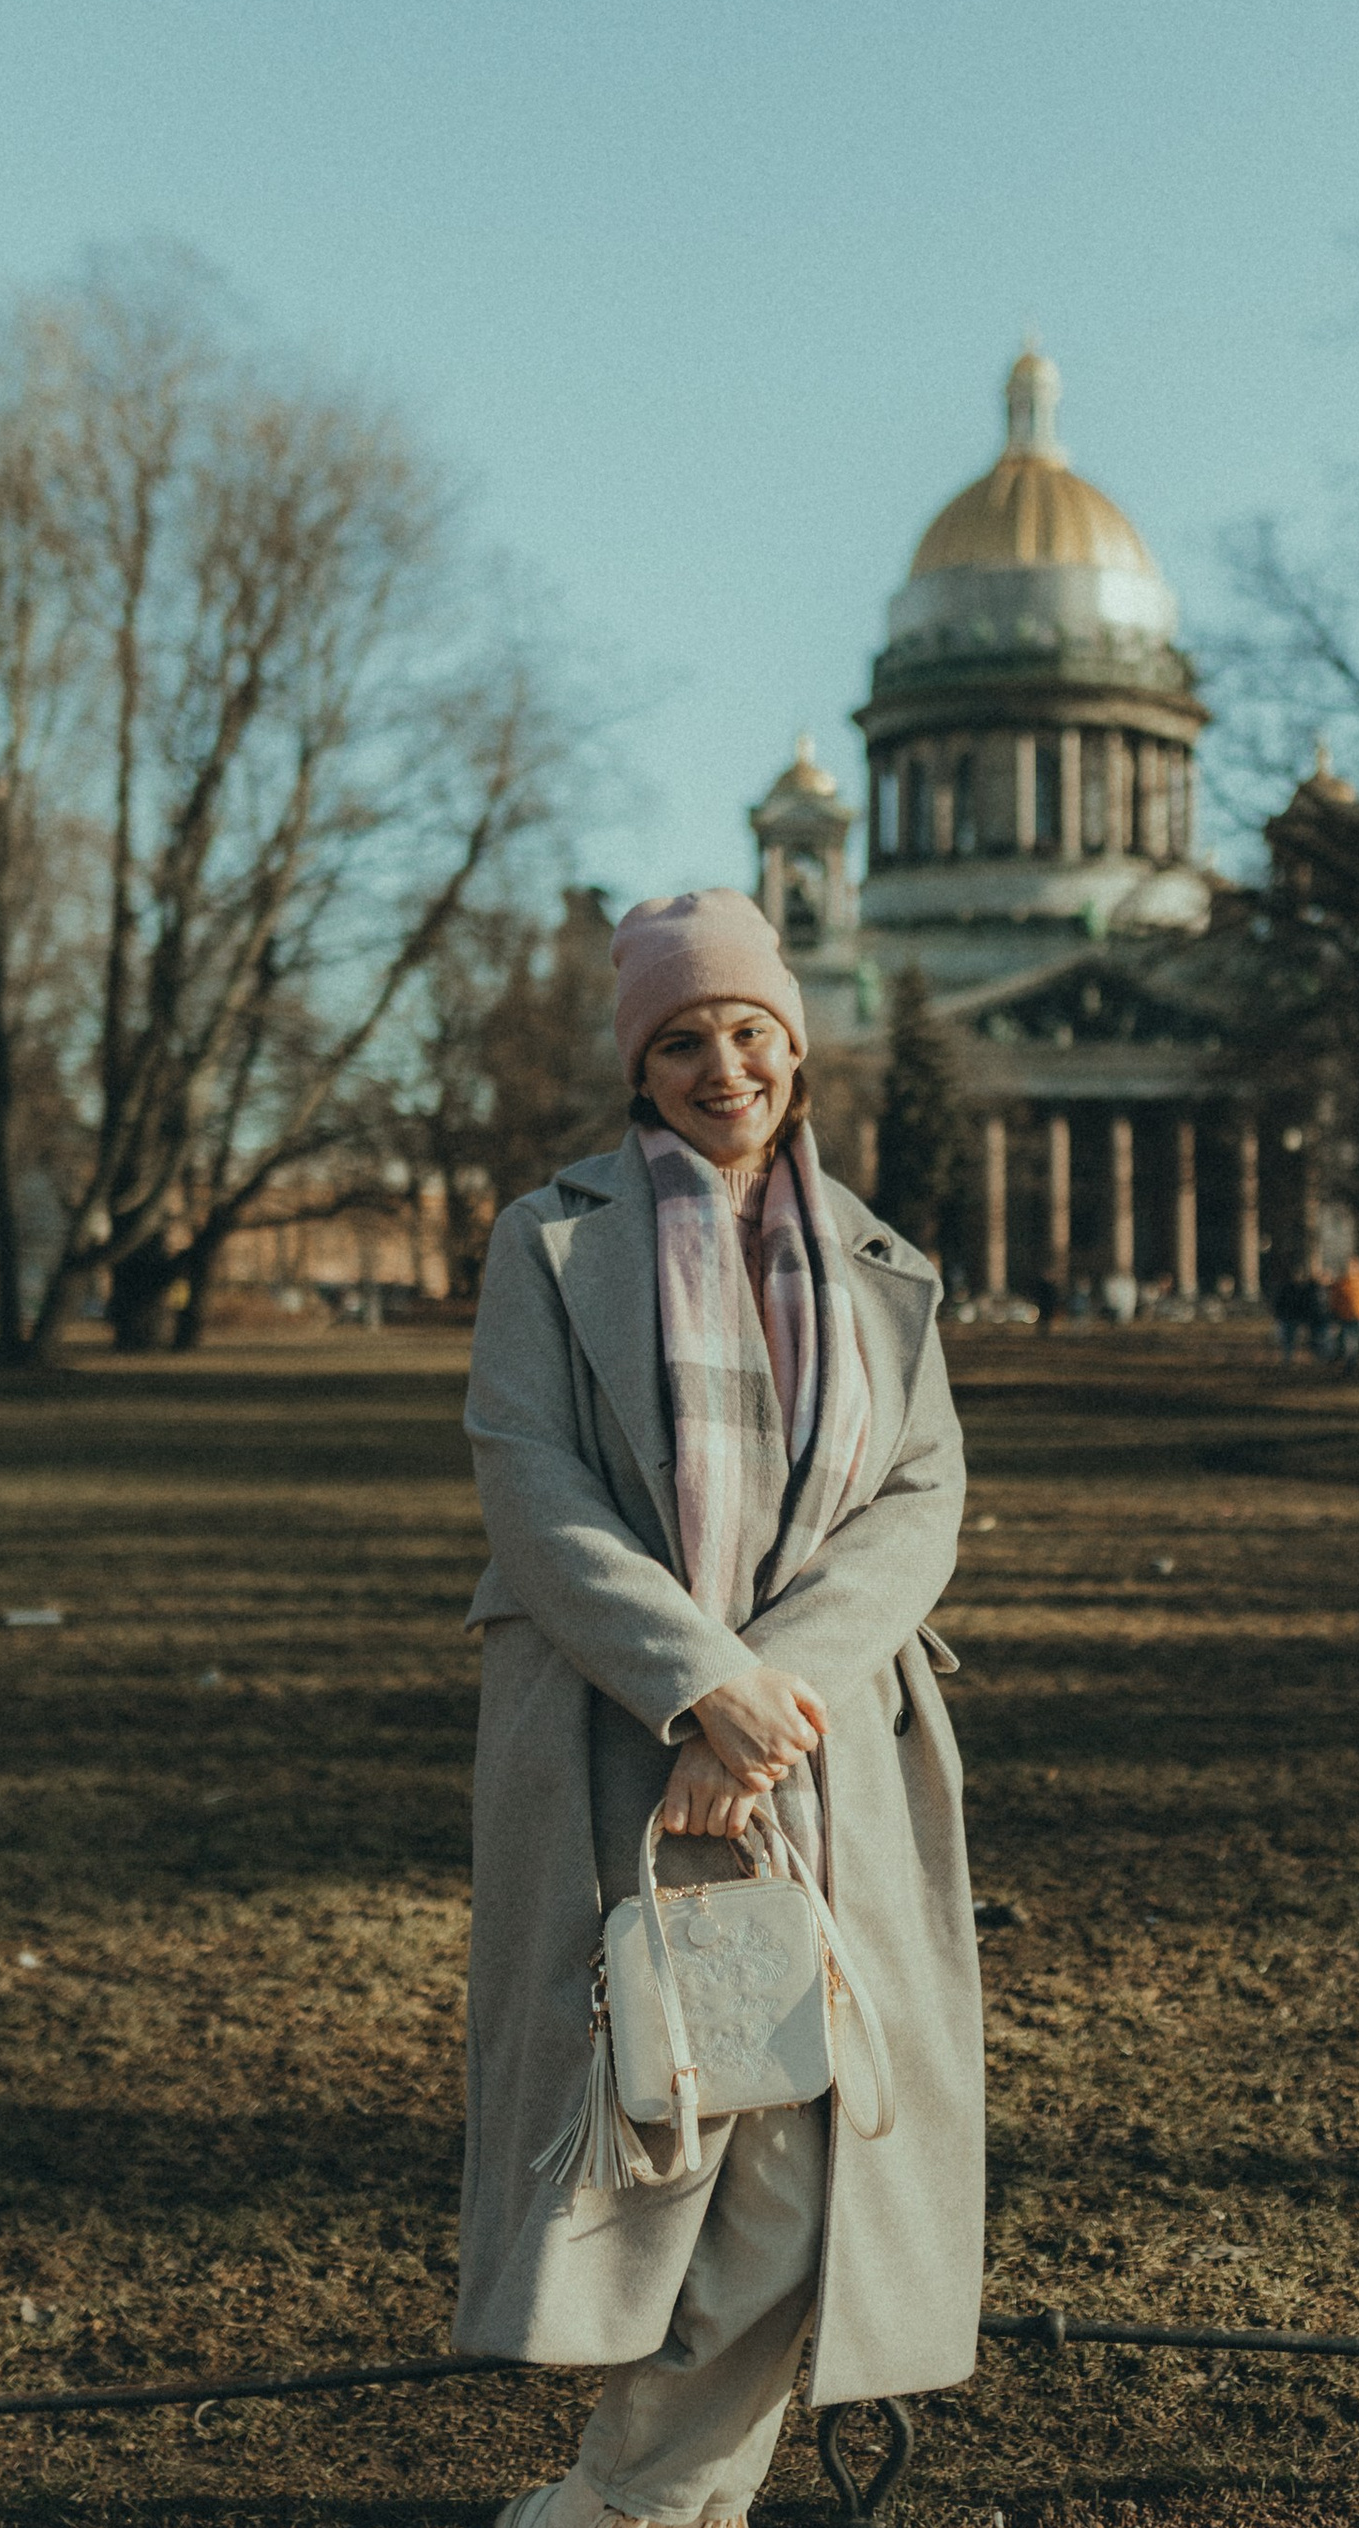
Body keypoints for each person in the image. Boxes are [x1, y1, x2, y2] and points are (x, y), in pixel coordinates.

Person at [455, 888, 980, 2528]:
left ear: (796, 1046)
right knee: (671, 2131)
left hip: (813, 1775)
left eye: (747, 1029)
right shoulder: (549, 1237)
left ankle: (620, 2511)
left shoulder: (886, 1267)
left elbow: (922, 1499)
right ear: (640, 1065)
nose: (720, 1064)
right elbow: (527, 1480)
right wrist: (701, 1692)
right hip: (621, 1755)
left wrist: (767, 1707)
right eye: (679, 1039)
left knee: (803, 2160)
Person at [1326, 1254, 1359, 1373]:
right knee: (1349, 1342)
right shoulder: (1341, 1282)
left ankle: (1355, 1362)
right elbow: (1334, 1299)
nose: (1351, 1268)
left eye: (1353, 1265)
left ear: (1358, 1266)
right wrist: (1334, 1312)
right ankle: (1350, 1365)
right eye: (1349, 1265)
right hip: (1345, 1317)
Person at [1269, 1256, 1325, 1362]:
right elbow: (1279, 1302)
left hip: (1300, 1316)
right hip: (1289, 1317)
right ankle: (1288, 1358)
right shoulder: (1287, 1287)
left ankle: (1316, 1357)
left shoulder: (1307, 1287)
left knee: (1312, 1339)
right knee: (1288, 1340)